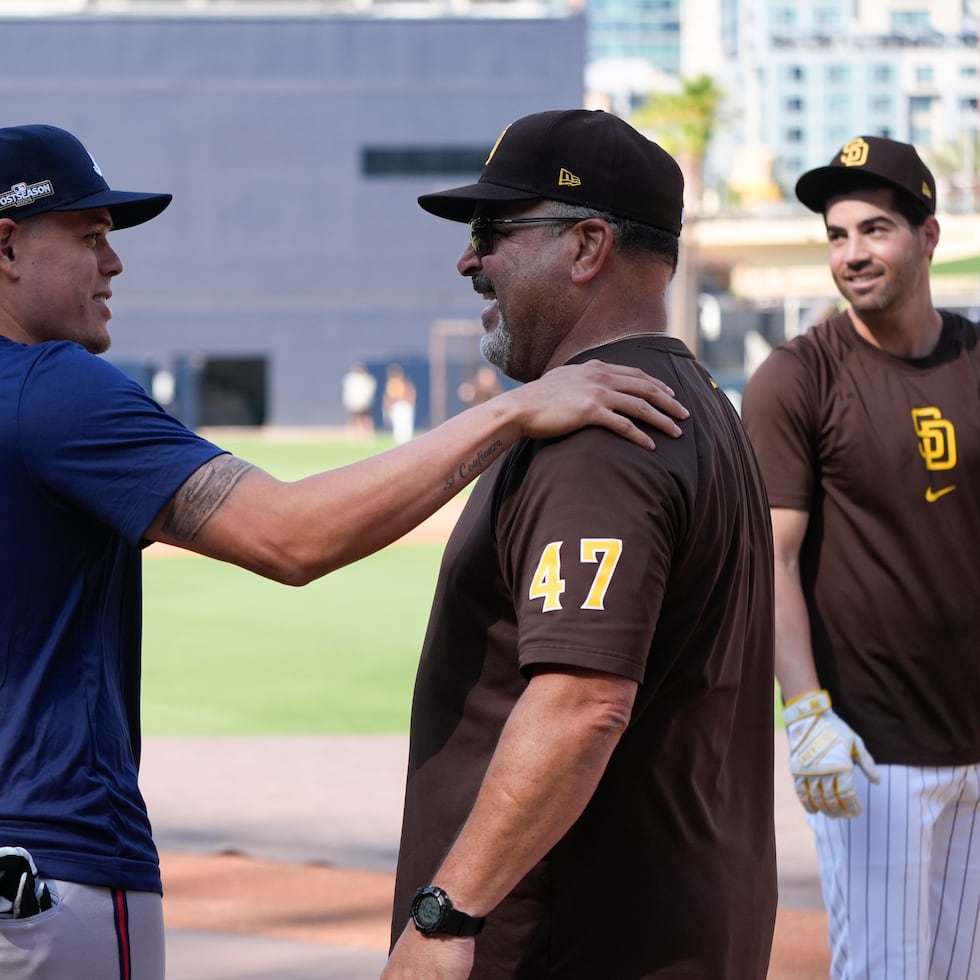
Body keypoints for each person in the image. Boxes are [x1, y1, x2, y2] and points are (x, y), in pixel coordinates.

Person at [0, 123, 690, 980]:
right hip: (48, 867)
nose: (115, 264)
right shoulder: (48, 387)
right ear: (6, 245)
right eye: (91, 236)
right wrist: (514, 411)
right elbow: (291, 536)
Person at [384, 108, 776, 979]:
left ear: (588, 245)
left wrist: (447, 919)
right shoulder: (696, 402)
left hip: (574, 942)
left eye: (493, 231)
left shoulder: (603, 437)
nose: (468, 260)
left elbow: (581, 705)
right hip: (673, 925)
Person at [741, 136, 980, 980]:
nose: (852, 255)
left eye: (874, 230)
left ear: (929, 236)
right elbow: (770, 559)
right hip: (872, 756)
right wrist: (805, 713)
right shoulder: (797, 378)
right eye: (838, 236)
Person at [341, 360, 378, 436]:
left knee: (366, 418)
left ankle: (367, 434)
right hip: (353, 402)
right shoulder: (350, 379)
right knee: (352, 419)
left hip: (364, 403)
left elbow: (369, 391)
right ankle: (351, 434)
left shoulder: (367, 379)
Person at [383, 362, 417, 443]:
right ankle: (400, 444)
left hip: (404, 405)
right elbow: (388, 397)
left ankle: (406, 443)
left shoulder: (405, 383)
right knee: (398, 427)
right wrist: (388, 407)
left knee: (406, 426)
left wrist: (410, 403)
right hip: (396, 406)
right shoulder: (390, 384)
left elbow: (411, 393)